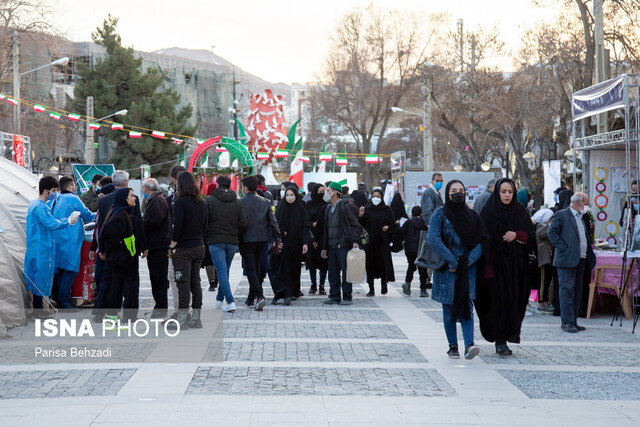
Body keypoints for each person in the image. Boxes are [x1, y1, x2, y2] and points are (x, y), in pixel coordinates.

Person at [428, 180, 488, 359]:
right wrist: (451, 260)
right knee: (448, 307)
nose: (458, 194)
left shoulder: (472, 216)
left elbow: (483, 240)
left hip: (467, 269)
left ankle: (469, 344)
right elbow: (433, 239)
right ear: (447, 193)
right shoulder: (440, 214)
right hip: (447, 269)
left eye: (461, 190)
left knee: (467, 306)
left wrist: (468, 260)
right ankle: (452, 346)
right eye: (454, 190)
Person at [476, 178, 535, 356]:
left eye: (510, 192)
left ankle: (509, 334)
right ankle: (500, 341)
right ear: (497, 192)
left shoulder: (520, 212)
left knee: (514, 302)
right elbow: (483, 237)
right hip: (494, 267)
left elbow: (531, 236)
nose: (507, 195)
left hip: (516, 268)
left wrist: (515, 235)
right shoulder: (488, 212)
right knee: (497, 303)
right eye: (503, 191)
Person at [97, 170, 147, 320]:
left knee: (109, 280)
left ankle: (100, 312)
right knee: (129, 282)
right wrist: (143, 246)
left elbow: (101, 225)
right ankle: (127, 314)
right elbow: (137, 224)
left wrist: (102, 248)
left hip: (111, 250)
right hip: (125, 249)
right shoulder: (127, 204)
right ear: (126, 183)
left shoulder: (104, 200)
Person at [25, 177, 76, 316]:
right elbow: (51, 223)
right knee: (40, 277)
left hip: (39, 247)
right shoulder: (40, 207)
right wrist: (68, 221)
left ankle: (39, 308)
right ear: (46, 191)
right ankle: (38, 311)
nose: (55, 194)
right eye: (54, 191)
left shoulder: (36, 205)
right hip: (40, 248)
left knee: (39, 277)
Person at [547, 193, 596, 333]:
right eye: (585, 203)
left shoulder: (581, 217)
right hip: (567, 259)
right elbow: (552, 233)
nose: (586, 207)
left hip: (581, 258)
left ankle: (573, 321)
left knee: (577, 291)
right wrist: (564, 248)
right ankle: (566, 322)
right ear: (578, 203)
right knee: (566, 290)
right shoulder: (562, 215)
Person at [168, 171, 207, 329]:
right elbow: (205, 227)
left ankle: (182, 318)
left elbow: (178, 227)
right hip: (199, 246)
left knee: (182, 282)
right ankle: (196, 319)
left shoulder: (180, 202)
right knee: (195, 283)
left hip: (183, 249)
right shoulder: (202, 203)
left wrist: (172, 245)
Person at [50, 176, 95, 308]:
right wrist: (100, 214)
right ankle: (64, 301)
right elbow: (86, 214)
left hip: (57, 240)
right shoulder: (73, 199)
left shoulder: (55, 199)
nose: (75, 188)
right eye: (74, 186)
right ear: (70, 187)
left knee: (60, 271)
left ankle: (58, 299)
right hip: (70, 240)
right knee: (70, 271)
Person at [205, 175, 247, 312]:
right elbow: (243, 223)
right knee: (224, 271)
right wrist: (235, 233)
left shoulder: (209, 200)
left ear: (217, 185)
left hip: (215, 241)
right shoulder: (237, 201)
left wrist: (207, 235)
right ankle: (219, 300)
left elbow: (204, 222)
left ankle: (230, 302)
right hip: (232, 241)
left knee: (222, 272)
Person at [240, 175, 281, 312]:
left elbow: (238, 223)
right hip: (262, 239)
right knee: (256, 268)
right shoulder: (265, 201)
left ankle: (259, 296)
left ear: (245, 188)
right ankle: (251, 297)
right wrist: (278, 237)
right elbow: (273, 221)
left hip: (246, 240)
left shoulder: (241, 202)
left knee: (251, 270)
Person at [321, 182, 363, 305]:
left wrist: (355, 241)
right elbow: (326, 229)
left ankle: (347, 296)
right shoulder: (328, 208)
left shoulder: (345, 206)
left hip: (343, 245)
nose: (326, 193)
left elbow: (355, 225)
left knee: (346, 273)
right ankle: (334, 296)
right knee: (333, 273)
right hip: (332, 246)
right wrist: (324, 247)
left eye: (328, 191)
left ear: (335, 193)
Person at [99, 188, 137, 320]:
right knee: (117, 288)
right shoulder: (120, 214)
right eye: (131, 196)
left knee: (117, 286)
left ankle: (112, 316)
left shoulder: (120, 212)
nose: (134, 198)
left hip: (119, 257)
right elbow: (107, 234)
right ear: (124, 199)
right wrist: (121, 244)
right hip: (119, 258)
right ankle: (111, 317)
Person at [273, 185, 310, 304]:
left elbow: (305, 226)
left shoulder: (301, 207)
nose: (289, 197)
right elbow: (277, 224)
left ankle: (295, 290)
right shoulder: (281, 206)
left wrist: (305, 242)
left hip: (297, 241)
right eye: (287, 195)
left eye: (291, 195)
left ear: (296, 195)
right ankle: (285, 291)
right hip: (284, 242)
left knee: (295, 266)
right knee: (284, 266)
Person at [141, 178, 170, 318]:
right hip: (157, 244)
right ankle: (159, 306)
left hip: (158, 245)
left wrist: (141, 224)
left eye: (143, 189)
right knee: (156, 278)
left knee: (158, 278)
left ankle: (160, 308)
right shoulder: (156, 199)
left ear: (147, 189)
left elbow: (153, 221)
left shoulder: (156, 200)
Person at [359, 188, 395, 296]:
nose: (375, 198)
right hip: (370, 243)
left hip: (382, 242)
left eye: (378, 196)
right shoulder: (366, 209)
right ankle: (371, 289)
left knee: (383, 265)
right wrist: (360, 216)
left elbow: (393, 225)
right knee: (370, 266)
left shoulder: (387, 210)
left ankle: (384, 283)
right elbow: (360, 224)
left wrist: (388, 227)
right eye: (373, 196)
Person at [166, 165, 186, 311]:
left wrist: (172, 245)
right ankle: (190, 312)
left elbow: (175, 225)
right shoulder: (197, 199)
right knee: (191, 280)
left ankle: (179, 311)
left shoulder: (175, 200)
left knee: (174, 278)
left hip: (178, 246)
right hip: (194, 245)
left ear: (173, 179)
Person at [401, 206, 429, 298]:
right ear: (421, 214)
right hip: (421, 249)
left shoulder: (408, 222)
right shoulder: (423, 223)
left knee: (411, 266)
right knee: (422, 269)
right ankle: (423, 290)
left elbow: (401, 232)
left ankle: (407, 283)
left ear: (412, 214)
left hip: (410, 250)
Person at [306, 183, 328, 295]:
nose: (322, 194)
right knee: (312, 262)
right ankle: (313, 284)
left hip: (323, 237)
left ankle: (322, 285)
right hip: (311, 235)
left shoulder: (326, 205)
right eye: (320, 192)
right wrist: (312, 224)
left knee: (323, 262)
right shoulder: (308, 205)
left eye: (323, 192)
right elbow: (305, 220)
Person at [533, 209, 555, 314]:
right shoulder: (540, 228)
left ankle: (546, 302)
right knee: (542, 282)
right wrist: (550, 225)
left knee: (547, 281)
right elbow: (543, 234)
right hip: (543, 259)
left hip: (548, 258)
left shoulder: (543, 228)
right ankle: (541, 303)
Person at [203, 182, 219, 292]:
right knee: (217, 259)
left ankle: (212, 282)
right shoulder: (220, 201)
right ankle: (217, 280)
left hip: (207, 234)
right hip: (219, 233)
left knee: (209, 259)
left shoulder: (205, 202)